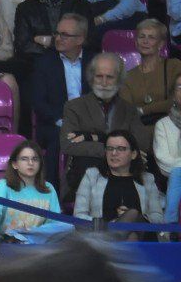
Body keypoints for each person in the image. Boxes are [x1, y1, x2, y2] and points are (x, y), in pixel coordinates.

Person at [60, 51, 142, 196]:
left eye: (109, 77)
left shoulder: (130, 110)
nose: (104, 83)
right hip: (83, 177)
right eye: (99, 76)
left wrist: (91, 137)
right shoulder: (74, 106)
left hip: (123, 176)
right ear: (92, 78)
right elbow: (68, 144)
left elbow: (140, 143)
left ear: (119, 80)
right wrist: (112, 150)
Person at [0, 139, 67, 255]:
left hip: (39, 245)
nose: (30, 163)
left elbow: (54, 224)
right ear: (14, 164)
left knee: (68, 227)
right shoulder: (4, 186)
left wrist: (34, 234)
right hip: (9, 243)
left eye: (35, 159)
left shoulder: (49, 188)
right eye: (24, 159)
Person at [28, 11, 95, 166]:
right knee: (59, 138)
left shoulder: (95, 61)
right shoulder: (43, 63)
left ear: (80, 39)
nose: (58, 38)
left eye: (64, 35)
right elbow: (39, 103)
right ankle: (54, 189)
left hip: (90, 122)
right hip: (55, 123)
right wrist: (62, 122)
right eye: (57, 33)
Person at [73, 130, 162, 228]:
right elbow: (79, 215)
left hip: (142, 235)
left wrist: (133, 218)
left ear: (133, 154)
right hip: (103, 236)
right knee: (130, 234)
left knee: (132, 215)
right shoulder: (92, 176)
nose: (114, 153)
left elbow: (157, 217)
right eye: (110, 148)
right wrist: (110, 224)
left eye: (121, 149)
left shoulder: (147, 179)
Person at [121, 17, 181, 140]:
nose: (145, 41)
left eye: (151, 37)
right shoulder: (127, 76)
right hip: (140, 134)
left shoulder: (174, 66)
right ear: (136, 42)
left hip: (172, 131)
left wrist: (143, 110)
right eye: (142, 37)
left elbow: (176, 102)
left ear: (161, 44)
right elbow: (127, 112)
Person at [155, 74, 181, 223]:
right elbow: (164, 163)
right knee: (177, 173)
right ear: (173, 94)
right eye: (180, 87)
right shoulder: (163, 125)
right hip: (174, 180)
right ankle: (171, 226)